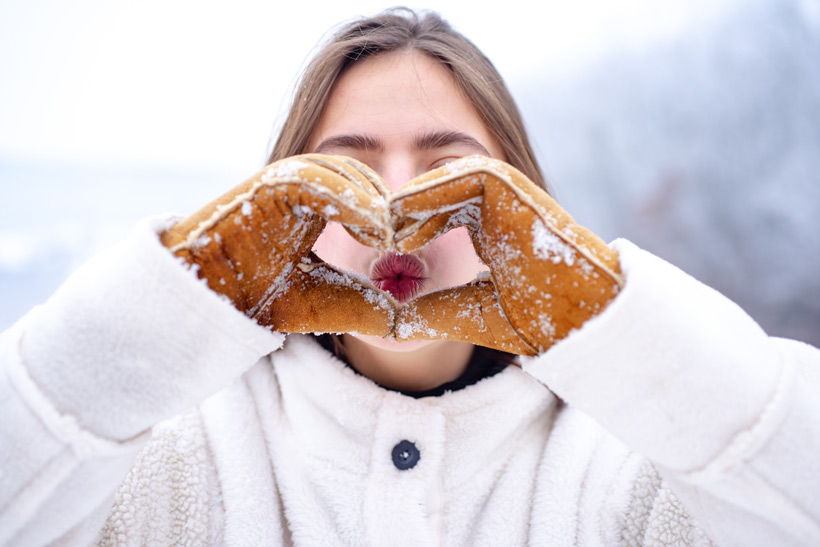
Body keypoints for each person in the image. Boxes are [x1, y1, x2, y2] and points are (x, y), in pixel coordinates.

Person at [1, 7, 819, 546]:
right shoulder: (175, 466)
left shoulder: (628, 469)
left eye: (449, 169)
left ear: (524, 204)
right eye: (343, 174)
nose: (394, 205)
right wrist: (170, 306)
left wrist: (603, 315)